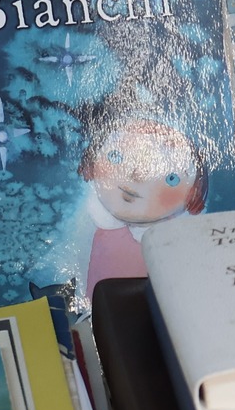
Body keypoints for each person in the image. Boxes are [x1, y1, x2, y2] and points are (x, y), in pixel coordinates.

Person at [77, 115, 206, 287]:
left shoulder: (176, 243)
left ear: (193, 192)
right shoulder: (90, 224)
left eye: (171, 178)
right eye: (115, 156)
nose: (136, 177)